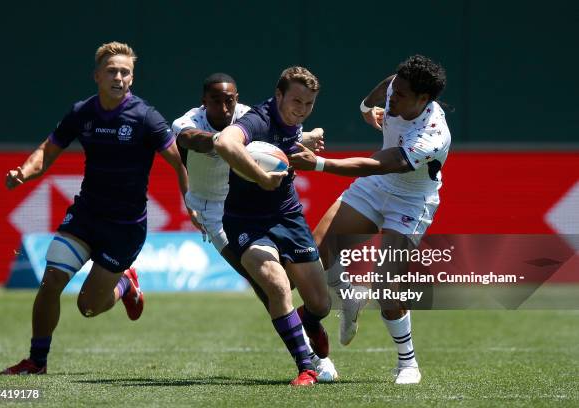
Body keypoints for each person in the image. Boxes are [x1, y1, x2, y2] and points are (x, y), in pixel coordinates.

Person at [1, 42, 188, 375]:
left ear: (132, 78)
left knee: (88, 307)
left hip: (125, 227)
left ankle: (125, 286)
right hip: (86, 215)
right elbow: (48, 150)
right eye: (112, 71)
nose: (119, 77)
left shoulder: (146, 116)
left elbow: (178, 162)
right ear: (97, 76)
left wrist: (193, 201)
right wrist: (23, 173)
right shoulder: (81, 113)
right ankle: (37, 361)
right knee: (51, 280)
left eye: (125, 72)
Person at [289, 55, 450, 385]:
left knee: (387, 286)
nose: (394, 97)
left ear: (424, 99)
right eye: (396, 89)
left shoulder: (432, 136)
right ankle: (348, 296)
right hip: (377, 186)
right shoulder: (398, 87)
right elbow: (386, 85)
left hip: (411, 198)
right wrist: (366, 107)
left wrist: (318, 164)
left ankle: (408, 364)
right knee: (317, 250)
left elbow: (377, 164)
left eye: (402, 95)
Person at [171, 73, 337, 382]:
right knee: (269, 284)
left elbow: (280, 140)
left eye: (229, 100)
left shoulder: (257, 114)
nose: (224, 107)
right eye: (216, 101)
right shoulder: (211, 121)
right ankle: (308, 362)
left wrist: (302, 138)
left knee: (318, 302)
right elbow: (207, 141)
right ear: (203, 102)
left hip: (282, 213)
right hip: (221, 211)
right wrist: (251, 156)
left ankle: (307, 322)